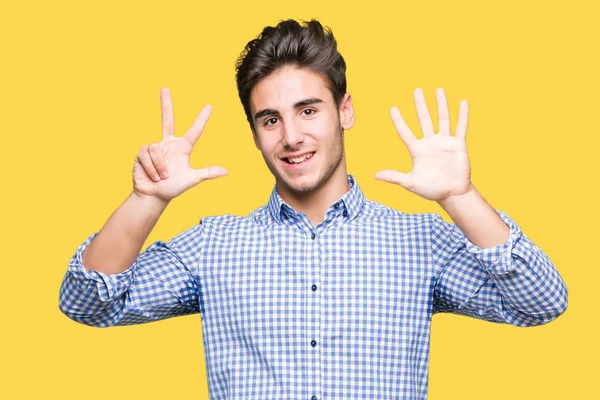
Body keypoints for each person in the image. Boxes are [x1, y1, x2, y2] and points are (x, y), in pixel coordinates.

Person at [58, 19, 568, 400]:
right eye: (270, 119)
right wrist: (146, 201)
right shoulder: (212, 245)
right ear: (255, 134)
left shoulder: (420, 242)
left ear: (344, 110)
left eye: (308, 110)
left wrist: (461, 198)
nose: (292, 136)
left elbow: (541, 303)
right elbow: (86, 304)